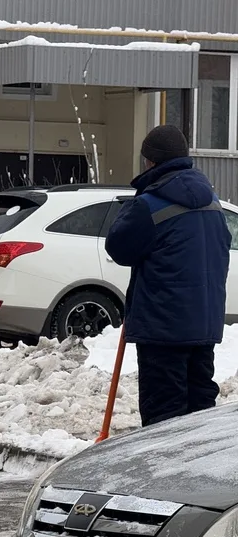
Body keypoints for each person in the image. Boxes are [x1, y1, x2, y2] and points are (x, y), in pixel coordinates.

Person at [105, 124, 231, 427]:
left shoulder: (149, 204)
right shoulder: (213, 204)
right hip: (204, 326)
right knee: (199, 414)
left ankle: (167, 476)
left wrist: (129, 209)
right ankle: (200, 473)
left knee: (163, 419)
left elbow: (118, 248)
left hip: (163, 329)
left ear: (150, 161)